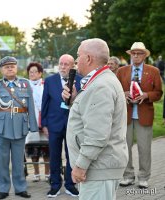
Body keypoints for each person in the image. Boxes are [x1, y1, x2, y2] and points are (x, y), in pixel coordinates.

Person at [63, 38, 128, 200]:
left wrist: (80, 166)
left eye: (78, 56)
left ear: (89, 58)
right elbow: (92, 118)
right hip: (100, 167)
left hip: (98, 169)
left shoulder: (100, 85)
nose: (76, 60)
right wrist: (74, 100)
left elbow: (97, 134)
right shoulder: (101, 81)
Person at [0, 56, 38, 199]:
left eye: (12, 65)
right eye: (6, 66)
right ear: (1, 69)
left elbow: (31, 107)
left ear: (16, 68)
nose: (9, 68)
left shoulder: (25, 84)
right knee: (2, 161)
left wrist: (33, 126)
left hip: (20, 128)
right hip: (1, 129)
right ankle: (3, 189)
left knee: (18, 161)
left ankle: (20, 188)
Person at [117, 42, 163, 188]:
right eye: (133, 53)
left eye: (139, 53)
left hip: (144, 115)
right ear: (130, 55)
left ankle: (144, 177)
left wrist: (146, 95)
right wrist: (123, 94)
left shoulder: (154, 71)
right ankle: (128, 175)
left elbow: (158, 93)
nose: (136, 56)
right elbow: (115, 90)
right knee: (125, 147)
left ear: (144, 55)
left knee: (144, 148)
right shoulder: (122, 71)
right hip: (126, 115)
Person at [41, 54, 81, 198]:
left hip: (73, 125)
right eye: (61, 64)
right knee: (54, 156)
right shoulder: (50, 81)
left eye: (66, 64)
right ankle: (55, 185)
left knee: (72, 156)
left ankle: (71, 185)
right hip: (54, 124)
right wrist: (44, 124)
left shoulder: (80, 80)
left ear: (72, 66)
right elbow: (44, 102)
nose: (63, 67)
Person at [25, 62, 49, 182]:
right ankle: (36, 173)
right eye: (30, 72)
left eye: (35, 71)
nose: (32, 74)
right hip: (31, 122)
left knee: (46, 150)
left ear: (40, 73)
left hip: (45, 122)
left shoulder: (46, 85)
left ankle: (47, 173)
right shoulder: (25, 86)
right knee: (33, 149)